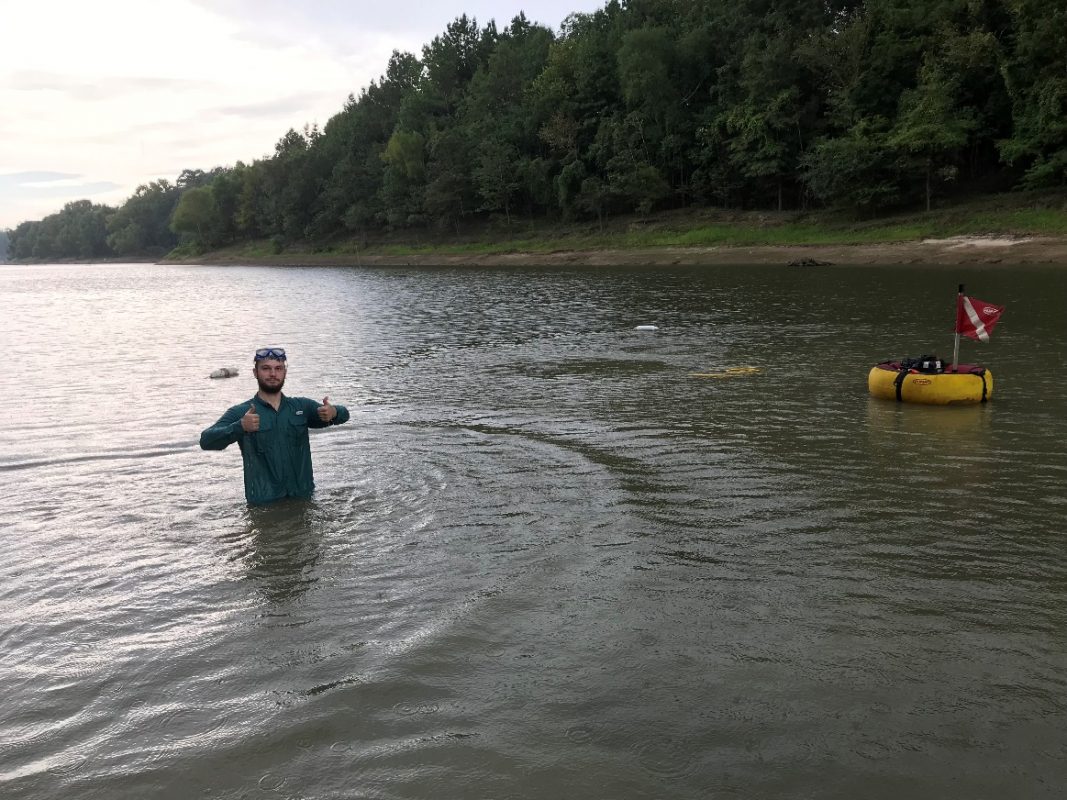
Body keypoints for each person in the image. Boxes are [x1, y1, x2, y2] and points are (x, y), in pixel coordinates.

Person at [200, 347, 350, 505]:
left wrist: (334, 412)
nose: (273, 374)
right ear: (255, 372)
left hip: (304, 500)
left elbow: (344, 414)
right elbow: (206, 440)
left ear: (285, 372)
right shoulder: (242, 413)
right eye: (266, 368)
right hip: (263, 506)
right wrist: (240, 427)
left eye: (278, 368)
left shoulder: (301, 407)